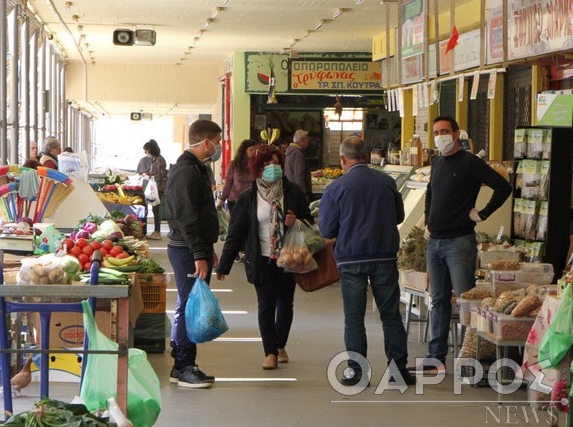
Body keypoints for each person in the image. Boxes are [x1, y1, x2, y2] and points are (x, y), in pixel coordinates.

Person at [412, 115, 512, 373]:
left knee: (467, 301)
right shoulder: (436, 163)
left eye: (445, 131)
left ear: (457, 135)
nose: (440, 136)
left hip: (459, 242)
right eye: (436, 132)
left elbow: (503, 187)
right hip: (434, 243)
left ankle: (471, 358)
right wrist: (427, 224)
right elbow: (430, 196)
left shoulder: (471, 163)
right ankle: (436, 358)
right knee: (438, 301)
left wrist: (483, 213)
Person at [318, 136, 416, 387]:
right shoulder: (386, 181)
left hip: (350, 260)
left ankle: (356, 371)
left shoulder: (336, 188)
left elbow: (327, 230)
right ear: (365, 156)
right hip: (384, 256)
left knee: (354, 318)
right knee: (391, 316)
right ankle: (398, 370)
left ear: (343, 159)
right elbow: (398, 216)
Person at [216, 144, 312, 370]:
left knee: (285, 303)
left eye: (277, 164)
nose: (273, 168)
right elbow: (236, 232)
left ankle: (280, 345)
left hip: (289, 256)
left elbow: (309, 221)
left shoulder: (293, 192)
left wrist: (295, 220)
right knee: (266, 304)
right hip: (261, 258)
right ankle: (270, 352)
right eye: (268, 164)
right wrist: (224, 264)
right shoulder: (249, 197)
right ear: (259, 168)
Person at [165, 119, 222, 389]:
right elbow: (186, 217)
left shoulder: (195, 169)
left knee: (187, 304)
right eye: (218, 142)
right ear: (206, 142)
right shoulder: (186, 172)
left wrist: (208, 249)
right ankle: (186, 366)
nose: (219, 147)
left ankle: (181, 364)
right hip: (186, 250)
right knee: (191, 307)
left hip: (194, 249)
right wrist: (199, 252)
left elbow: (200, 215)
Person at [141, 139, 167, 240]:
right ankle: (156, 231)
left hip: (158, 187)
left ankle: (157, 231)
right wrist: (145, 173)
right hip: (154, 187)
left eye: (146, 151)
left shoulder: (160, 159)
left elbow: (161, 174)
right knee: (154, 209)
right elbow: (151, 171)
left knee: (156, 209)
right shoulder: (153, 159)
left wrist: (150, 176)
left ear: (151, 149)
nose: (146, 153)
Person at [284, 129, 313, 202]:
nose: (308, 142)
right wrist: (303, 194)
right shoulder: (298, 154)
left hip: (291, 189)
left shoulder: (290, 151)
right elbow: (299, 175)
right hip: (297, 191)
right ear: (302, 141)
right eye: (307, 140)